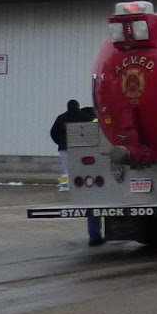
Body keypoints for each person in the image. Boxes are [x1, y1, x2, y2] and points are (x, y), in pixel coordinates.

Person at [51, 99, 103, 247]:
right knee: (82, 170)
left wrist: (60, 142)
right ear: (78, 106)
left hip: (64, 147)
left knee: (66, 169)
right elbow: (94, 124)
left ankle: (66, 187)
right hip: (82, 148)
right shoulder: (85, 117)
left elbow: (53, 132)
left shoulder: (61, 118)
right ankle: (76, 185)